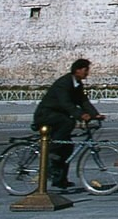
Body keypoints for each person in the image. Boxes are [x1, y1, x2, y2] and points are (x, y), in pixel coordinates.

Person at [32, 58, 103, 191]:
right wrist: (80, 115)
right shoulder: (64, 83)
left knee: (68, 147)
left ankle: (60, 180)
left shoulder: (77, 84)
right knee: (68, 122)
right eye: (85, 70)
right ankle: (52, 149)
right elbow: (66, 103)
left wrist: (95, 114)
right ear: (77, 70)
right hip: (46, 114)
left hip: (58, 116)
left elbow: (83, 101)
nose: (87, 73)